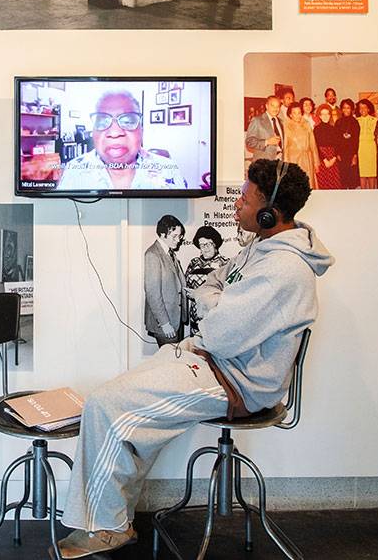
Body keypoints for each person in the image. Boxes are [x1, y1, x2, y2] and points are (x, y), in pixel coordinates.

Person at [55, 160, 333, 558]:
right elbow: (216, 285)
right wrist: (214, 300)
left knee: (105, 404)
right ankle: (114, 517)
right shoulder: (262, 247)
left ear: (271, 212)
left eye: (245, 197)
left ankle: (106, 528)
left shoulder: (283, 269)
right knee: (115, 401)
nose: (236, 203)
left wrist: (210, 302)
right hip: (213, 361)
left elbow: (218, 324)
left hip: (235, 382)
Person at [58, 90, 186, 191]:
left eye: (128, 121)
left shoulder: (169, 169)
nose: (115, 133)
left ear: (141, 130)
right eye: (102, 121)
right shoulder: (73, 170)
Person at [143, 215, 186, 346]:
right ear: (162, 234)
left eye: (179, 236)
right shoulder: (153, 255)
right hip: (165, 322)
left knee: (174, 360)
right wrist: (165, 324)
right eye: (175, 236)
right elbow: (152, 294)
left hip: (175, 319)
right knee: (171, 362)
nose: (178, 240)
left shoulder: (170, 253)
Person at [183, 225, 230, 335]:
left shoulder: (225, 263)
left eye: (208, 244)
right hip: (195, 313)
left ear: (215, 244)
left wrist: (202, 294)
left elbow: (228, 291)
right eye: (202, 245)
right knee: (196, 347)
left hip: (214, 313)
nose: (205, 248)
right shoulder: (193, 263)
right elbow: (186, 284)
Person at [283, 102, 319, 189]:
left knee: (308, 183)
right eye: (294, 113)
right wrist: (286, 164)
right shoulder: (286, 125)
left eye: (299, 113)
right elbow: (286, 146)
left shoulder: (306, 124)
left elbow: (313, 144)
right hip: (293, 159)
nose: (297, 115)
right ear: (290, 114)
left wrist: (316, 162)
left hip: (307, 158)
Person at [245, 96, 284, 162]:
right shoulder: (257, 120)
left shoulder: (281, 121)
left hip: (279, 161)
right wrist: (267, 142)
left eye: (278, 106)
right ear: (267, 106)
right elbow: (249, 141)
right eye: (272, 105)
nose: (275, 108)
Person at [312, 104, 342, 189]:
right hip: (322, 159)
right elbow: (316, 146)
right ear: (320, 116)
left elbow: (338, 145)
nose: (325, 116)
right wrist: (325, 161)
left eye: (327, 114)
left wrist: (334, 159)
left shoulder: (334, 129)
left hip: (333, 158)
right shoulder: (316, 129)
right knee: (323, 185)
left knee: (334, 184)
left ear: (330, 115)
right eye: (323, 114)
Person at [335, 99, 360, 189]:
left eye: (348, 108)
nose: (346, 110)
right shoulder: (338, 122)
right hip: (341, 155)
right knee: (343, 180)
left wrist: (354, 156)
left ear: (352, 109)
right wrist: (337, 153)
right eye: (344, 108)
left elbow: (356, 140)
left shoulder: (355, 122)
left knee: (352, 180)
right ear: (341, 109)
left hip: (351, 154)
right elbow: (336, 140)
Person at [356, 99, 378, 189]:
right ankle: (363, 193)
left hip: (371, 148)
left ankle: (372, 193)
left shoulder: (375, 120)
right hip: (360, 148)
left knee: (372, 172)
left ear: (369, 109)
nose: (362, 110)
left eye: (364, 107)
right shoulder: (356, 120)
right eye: (360, 108)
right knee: (362, 173)